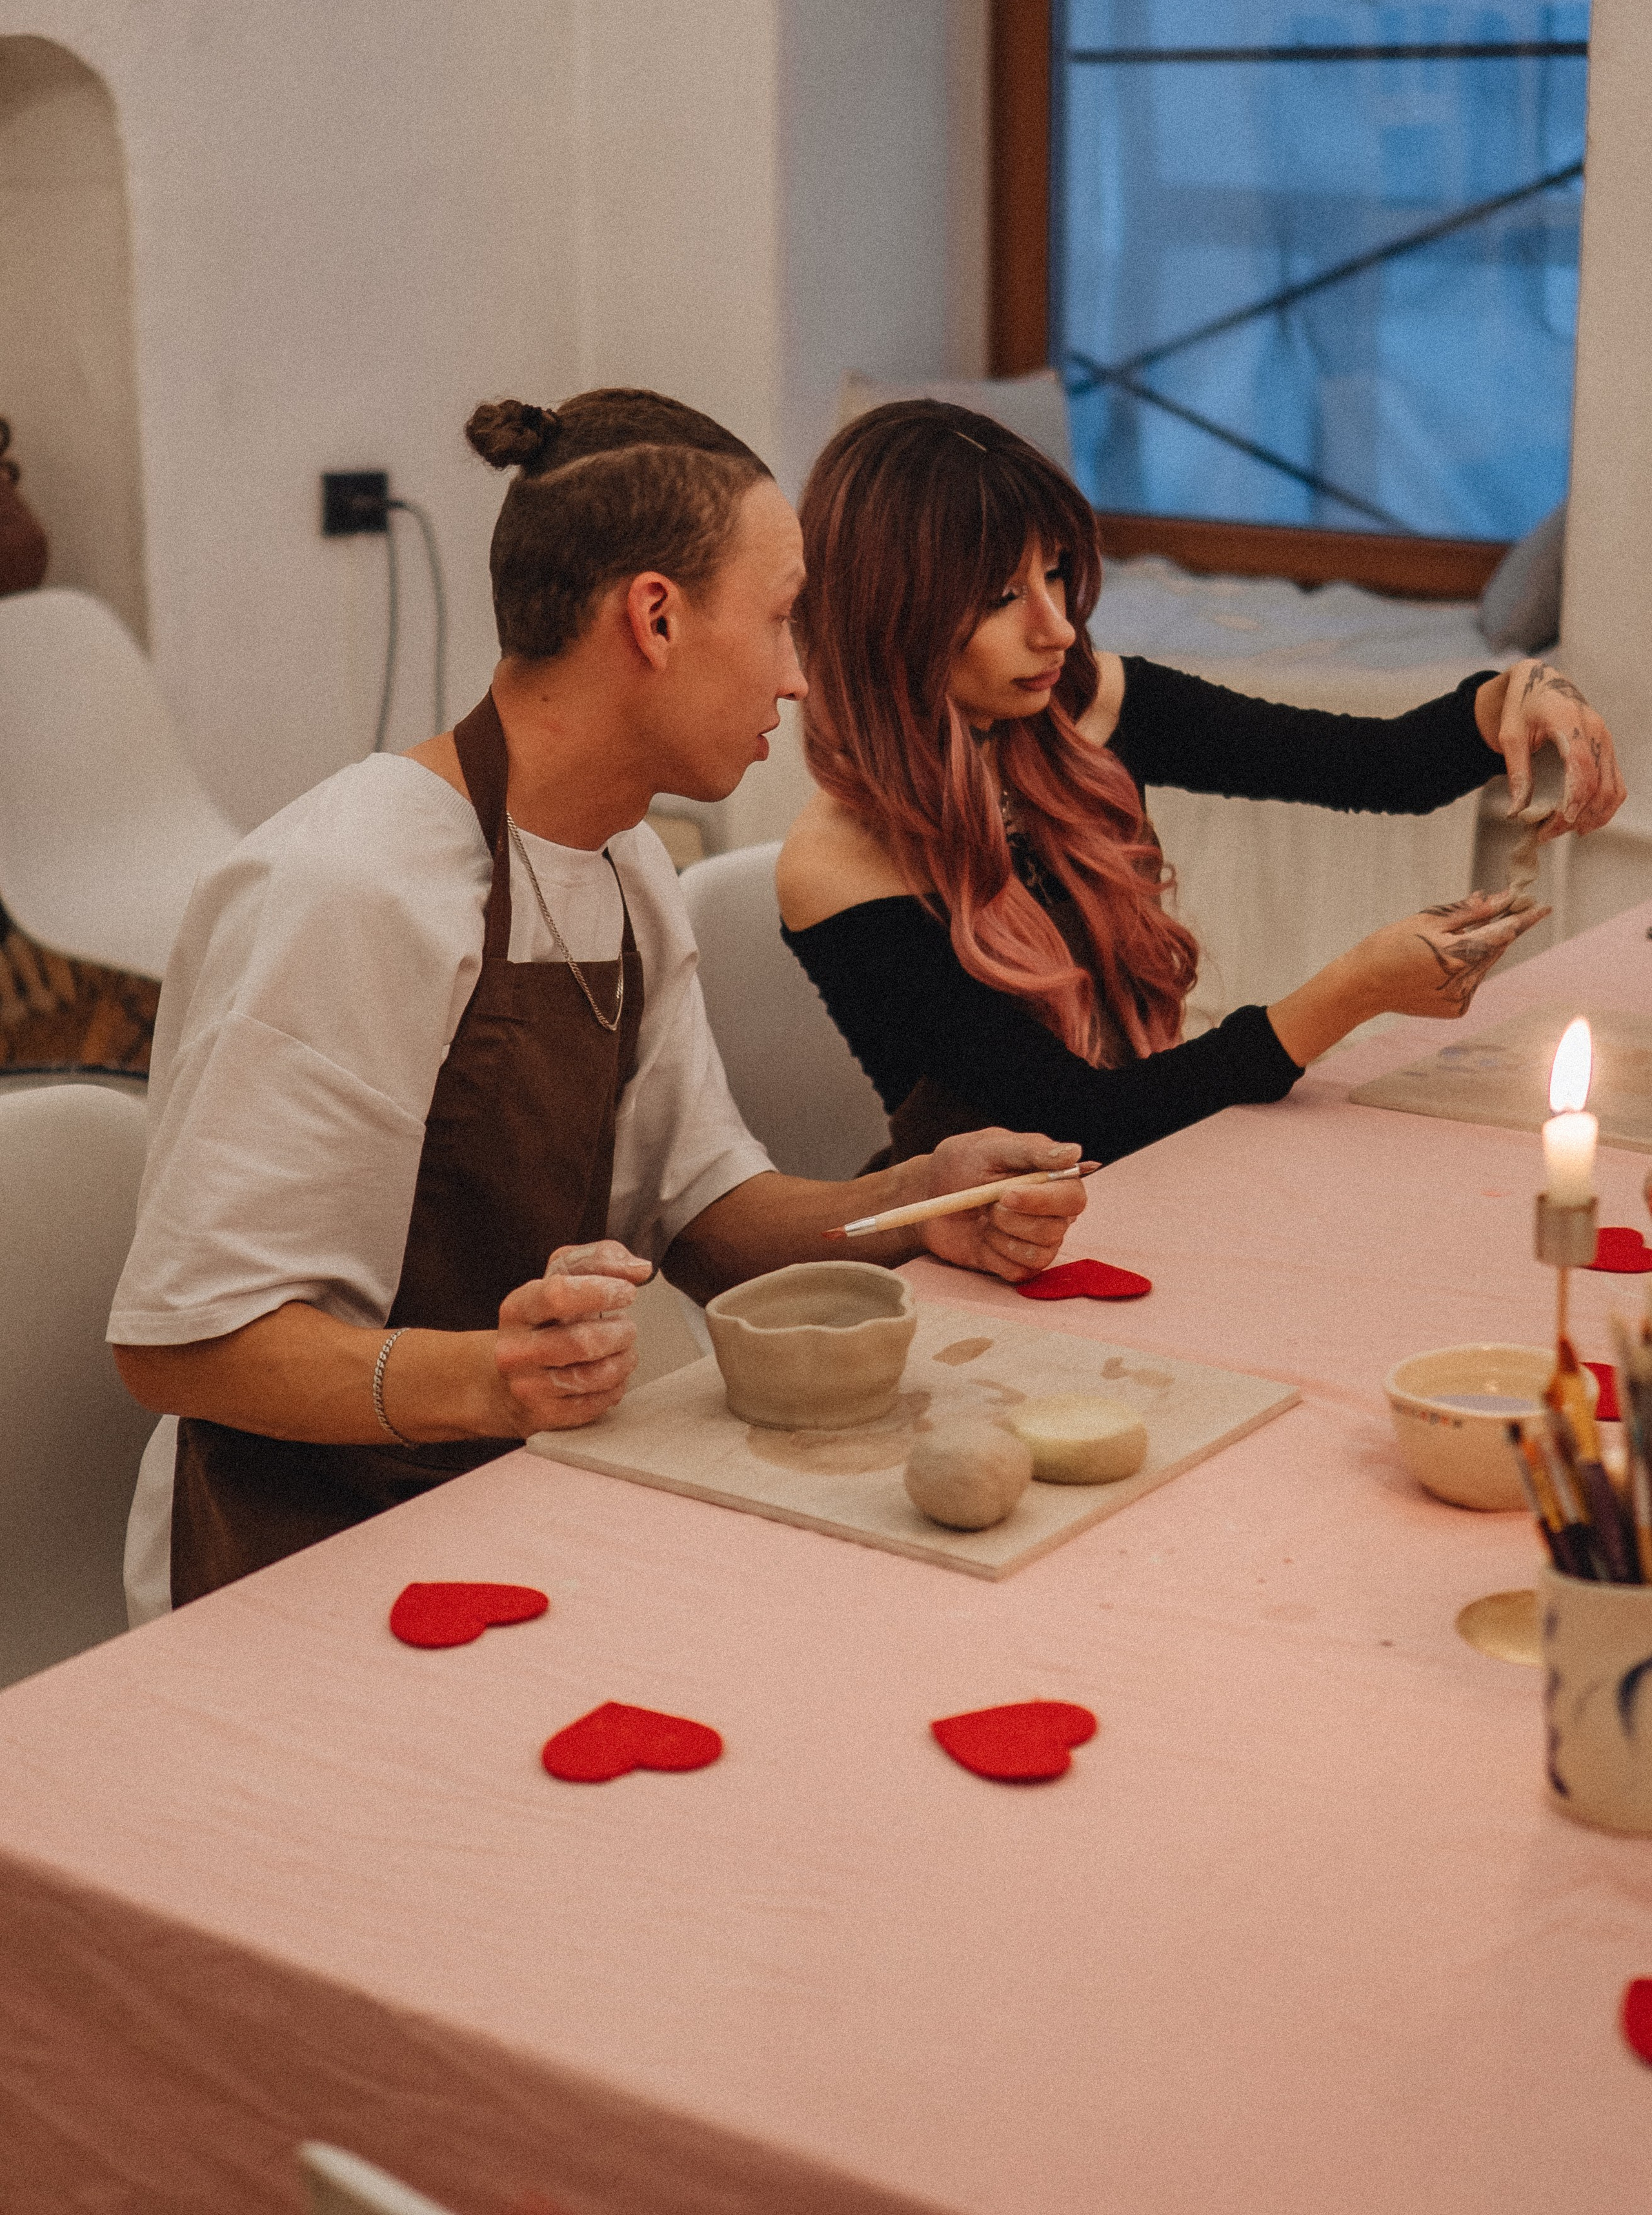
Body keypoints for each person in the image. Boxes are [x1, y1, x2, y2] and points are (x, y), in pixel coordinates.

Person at [111, 389, 1090, 1612]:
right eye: (784, 621)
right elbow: (181, 1344)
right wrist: (490, 1380)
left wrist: (913, 1201)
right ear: (657, 617)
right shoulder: (349, 887)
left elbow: (702, 1208)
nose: (797, 679)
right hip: (296, 1553)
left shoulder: (625, 861)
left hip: (507, 1499)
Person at [776, 400, 1625, 1168]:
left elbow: (1375, 766)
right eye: (1004, 597)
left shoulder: (1088, 707)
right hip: (982, 1239)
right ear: (893, 618)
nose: (1058, 628)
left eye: (1057, 574)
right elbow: (1077, 1122)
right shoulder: (839, 863)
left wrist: (1514, 697)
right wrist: (1356, 989)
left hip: (1152, 1170)